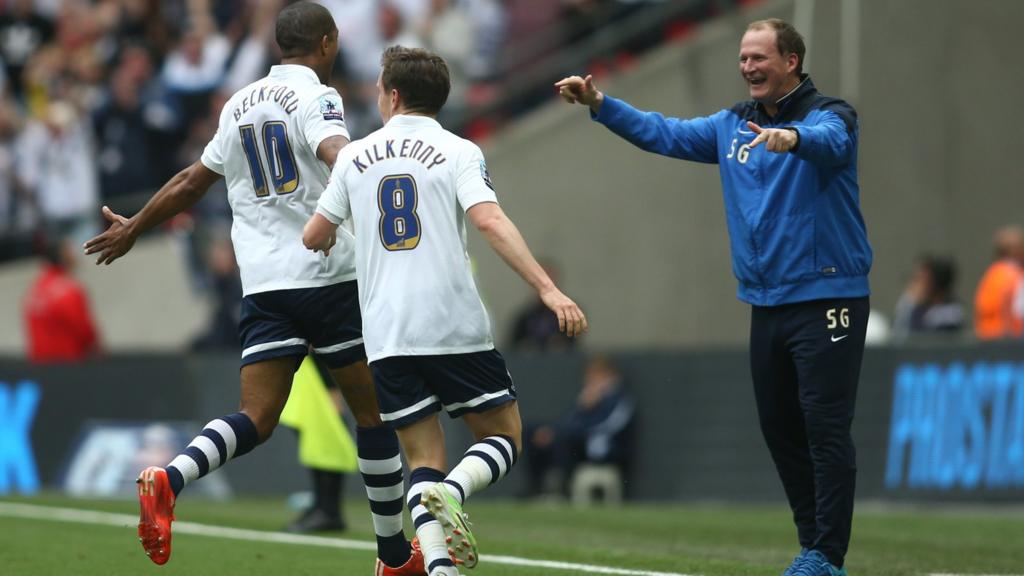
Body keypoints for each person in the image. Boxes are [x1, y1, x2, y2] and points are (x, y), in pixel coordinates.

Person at [83, 4, 423, 574]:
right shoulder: (319, 96)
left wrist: (136, 225)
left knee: (256, 416)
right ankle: (393, 557)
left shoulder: (239, 102)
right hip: (329, 277)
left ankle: (169, 478)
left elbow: (194, 179)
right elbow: (336, 154)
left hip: (265, 286)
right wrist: (384, 172)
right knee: (374, 415)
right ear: (327, 42)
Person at [557, 18, 869, 576]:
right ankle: (813, 548)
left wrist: (793, 138)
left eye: (759, 57)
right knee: (780, 429)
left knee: (824, 427)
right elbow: (664, 132)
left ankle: (827, 554)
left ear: (791, 61)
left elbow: (832, 142)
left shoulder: (830, 115)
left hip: (828, 297)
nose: (747, 66)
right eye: (744, 57)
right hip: (767, 303)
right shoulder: (732, 126)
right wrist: (600, 102)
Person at [303, 46, 587, 576]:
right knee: (505, 437)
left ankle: (439, 566)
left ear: (393, 94)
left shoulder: (352, 158)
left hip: (386, 333)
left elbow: (314, 235)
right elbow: (489, 221)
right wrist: (548, 289)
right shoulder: (459, 150)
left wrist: (347, 229)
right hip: (450, 323)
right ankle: (456, 491)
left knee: (422, 459)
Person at [523, 355, 634, 500]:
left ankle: (563, 489)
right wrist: (553, 431)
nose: (590, 379)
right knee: (532, 431)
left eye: (596, 375)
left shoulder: (620, 398)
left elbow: (608, 426)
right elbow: (569, 420)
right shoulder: (587, 397)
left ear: (610, 376)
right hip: (576, 442)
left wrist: (559, 432)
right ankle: (536, 488)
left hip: (601, 449)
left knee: (564, 438)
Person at [23, 236, 101, 363]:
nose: (75, 253)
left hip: (40, 371)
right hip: (70, 368)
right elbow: (86, 333)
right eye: (70, 249)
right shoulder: (70, 291)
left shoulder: (34, 291)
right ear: (62, 255)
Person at [891, 254, 964, 339]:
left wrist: (910, 304)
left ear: (933, 283)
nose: (914, 284)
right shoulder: (920, 309)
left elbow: (915, 341)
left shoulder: (950, 315)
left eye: (919, 279)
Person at [973, 225, 1024, 340]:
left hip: (987, 339)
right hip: (1009, 343)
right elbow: (1007, 304)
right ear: (1015, 250)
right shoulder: (1013, 275)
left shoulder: (991, 274)